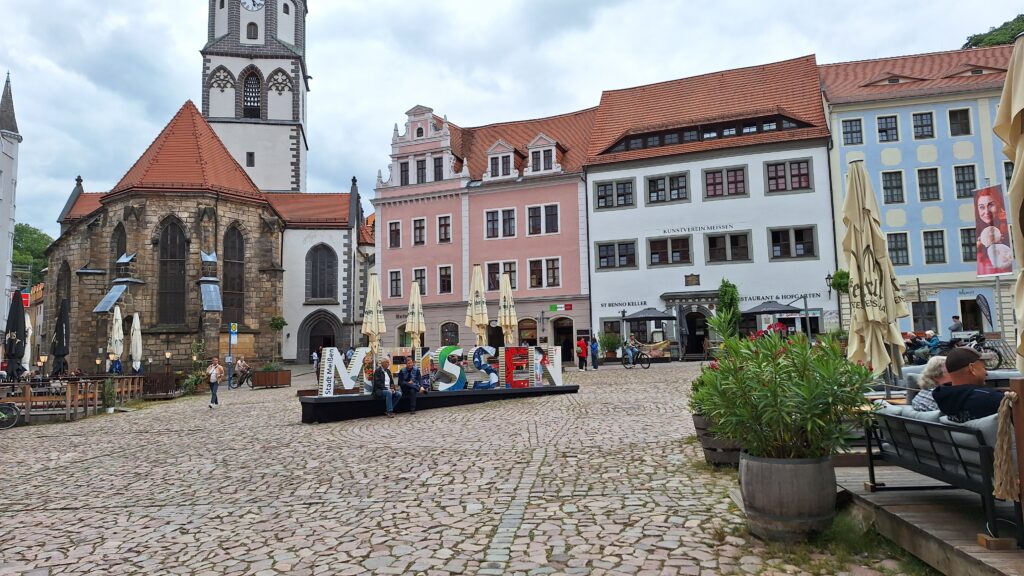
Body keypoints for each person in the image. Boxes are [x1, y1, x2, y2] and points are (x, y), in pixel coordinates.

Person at [932, 347, 1002, 423]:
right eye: (984, 367)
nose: (986, 373)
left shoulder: (943, 398)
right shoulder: (992, 398)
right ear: (972, 368)